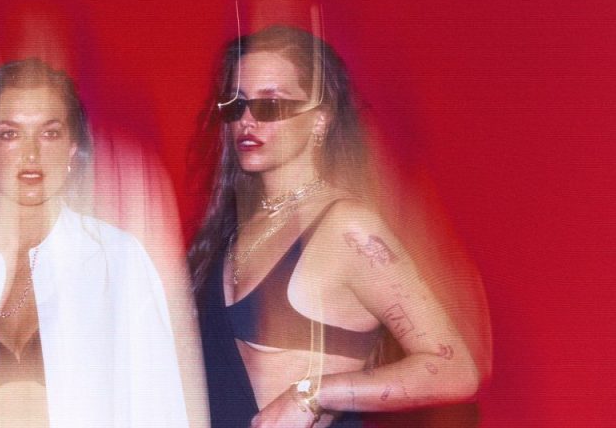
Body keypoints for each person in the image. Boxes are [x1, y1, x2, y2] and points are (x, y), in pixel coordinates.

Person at [188, 25, 486, 428]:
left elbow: (455, 370)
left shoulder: (347, 227)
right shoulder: (230, 227)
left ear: (320, 120)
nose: (247, 120)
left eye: (269, 105)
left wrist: (311, 394)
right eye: (235, 105)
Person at [0, 58, 190, 428]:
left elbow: (160, 405)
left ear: (72, 148)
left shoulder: (119, 262)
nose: (31, 154)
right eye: (10, 134)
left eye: (49, 133)